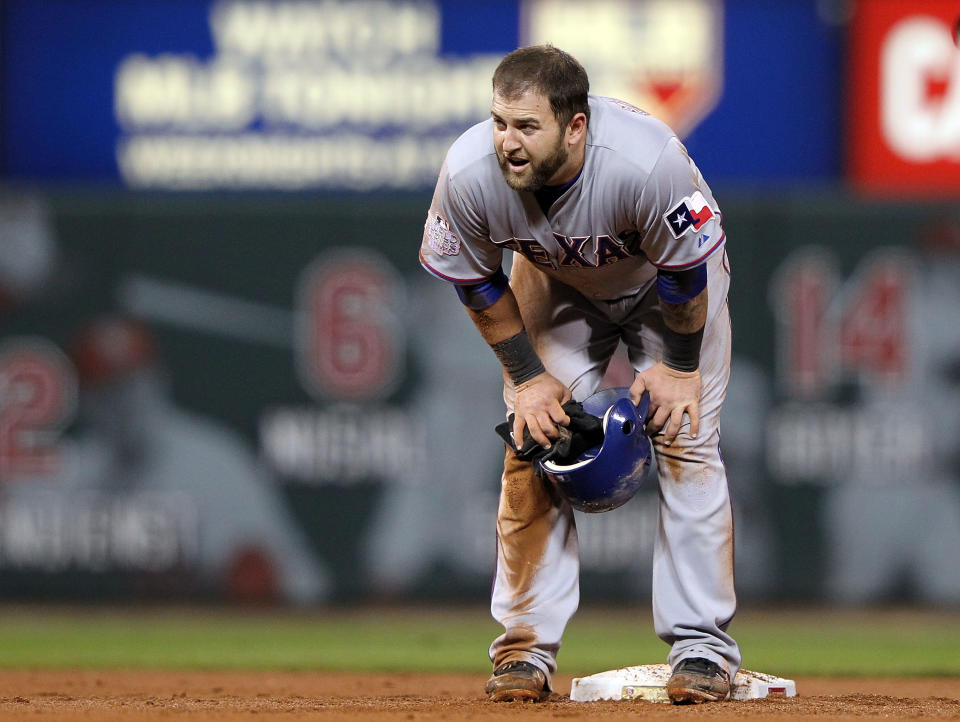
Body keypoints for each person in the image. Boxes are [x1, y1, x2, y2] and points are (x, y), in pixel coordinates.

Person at [419, 45, 738, 704]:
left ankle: (702, 646)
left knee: (686, 437)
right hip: (555, 283)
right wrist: (526, 378)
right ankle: (524, 650)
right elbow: (477, 284)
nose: (506, 141)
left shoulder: (646, 163)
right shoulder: (470, 171)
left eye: (526, 127)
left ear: (575, 126)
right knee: (533, 441)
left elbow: (686, 272)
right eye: (500, 121)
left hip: (664, 287)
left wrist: (677, 368)